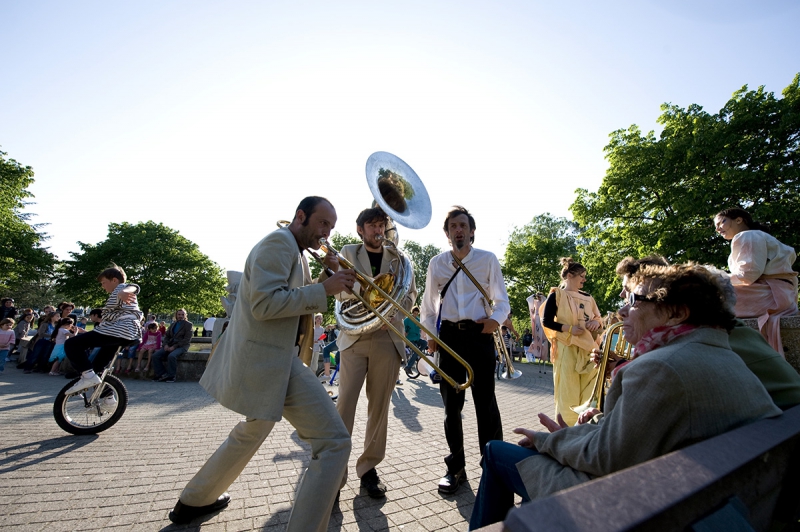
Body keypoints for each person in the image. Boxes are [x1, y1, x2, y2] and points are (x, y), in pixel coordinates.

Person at [468, 263, 782, 530]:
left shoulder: (661, 366)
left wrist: (550, 441)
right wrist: (577, 435)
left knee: (497, 452)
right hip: (699, 499)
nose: (622, 309)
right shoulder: (718, 354)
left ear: (676, 313)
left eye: (635, 300)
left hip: (649, 507)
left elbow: (607, 458)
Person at [168, 196, 356, 530]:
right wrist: (324, 290)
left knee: (251, 431)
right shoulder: (279, 245)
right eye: (322, 223)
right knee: (334, 443)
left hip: (272, 360)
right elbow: (265, 305)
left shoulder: (293, 250)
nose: (326, 233)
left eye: (331, 226)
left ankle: (194, 500)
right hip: (271, 360)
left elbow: (286, 297)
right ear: (301, 216)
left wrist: (323, 280)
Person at [613, 255, 800, 411]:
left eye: (632, 296)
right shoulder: (722, 331)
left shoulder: (693, 346)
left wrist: (622, 367)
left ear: (676, 309)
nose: (623, 306)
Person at [420, 206, 509, 494]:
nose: (458, 230)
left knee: (487, 406)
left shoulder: (487, 259)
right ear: (447, 234)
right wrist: (431, 338)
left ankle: (492, 467)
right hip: (448, 339)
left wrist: (492, 323)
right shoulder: (437, 263)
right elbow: (429, 307)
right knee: (451, 409)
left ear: (472, 231)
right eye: (453, 226)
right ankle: (455, 468)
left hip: (479, 336)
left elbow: (502, 300)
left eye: (463, 225)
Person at [331, 206, 417, 498]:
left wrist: (392, 313)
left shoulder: (400, 258)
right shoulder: (346, 252)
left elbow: (410, 293)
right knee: (345, 407)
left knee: (378, 409)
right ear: (360, 229)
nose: (378, 230)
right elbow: (340, 293)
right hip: (354, 338)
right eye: (372, 226)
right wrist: (371, 305)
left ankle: (368, 469)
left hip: (387, 337)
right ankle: (334, 472)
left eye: (381, 225)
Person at [714, 208, 798, 356]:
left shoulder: (747, 236)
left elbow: (747, 275)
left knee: (703, 296)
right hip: (781, 295)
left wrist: (713, 278)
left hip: (769, 296)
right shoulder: (756, 236)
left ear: (739, 220)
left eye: (721, 222)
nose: (717, 228)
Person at [539, 258, 602, 426]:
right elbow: (547, 321)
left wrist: (596, 322)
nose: (584, 279)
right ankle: (566, 431)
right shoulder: (557, 295)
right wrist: (569, 329)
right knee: (568, 391)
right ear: (569, 276)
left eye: (585, 276)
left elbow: (598, 318)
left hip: (589, 350)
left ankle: (587, 428)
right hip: (567, 349)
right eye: (582, 275)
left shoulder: (589, 298)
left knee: (590, 389)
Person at [63, 266, 142, 396]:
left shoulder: (122, 289)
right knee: (97, 368)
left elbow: (134, 286)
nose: (102, 286)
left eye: (104, 282)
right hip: (123, 333)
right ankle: (109, 398)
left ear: (114, 280)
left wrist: (124, 291)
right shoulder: (117, 294)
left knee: (72, 344)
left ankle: (88, 376)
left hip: (119, 330)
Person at [151, 309, 193, 382]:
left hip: (182, 346)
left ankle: (171, 376)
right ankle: (162, 374)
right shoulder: (173, 324)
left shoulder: (188, 325)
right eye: (179, 314)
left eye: (182, 314)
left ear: (185, 315)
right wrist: (165, 345)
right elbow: (167, 336)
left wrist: (174, 347)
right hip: (170, 344)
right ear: (176, 315)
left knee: (172, 356)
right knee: (155, 355)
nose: (180, 316)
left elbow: (187, 339)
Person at [525, 293, 548, 369]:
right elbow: (528, 299)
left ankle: (542, 354)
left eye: (539, 296)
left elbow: (546, 300)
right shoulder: (535, 302)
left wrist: (542, 296)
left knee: (542, 338)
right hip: (536, 317)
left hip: (542, 318)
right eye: (538, 297)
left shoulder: (544, 302)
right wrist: (533, 295)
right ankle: (537, 352)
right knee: (537, 337)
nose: (538, 298)